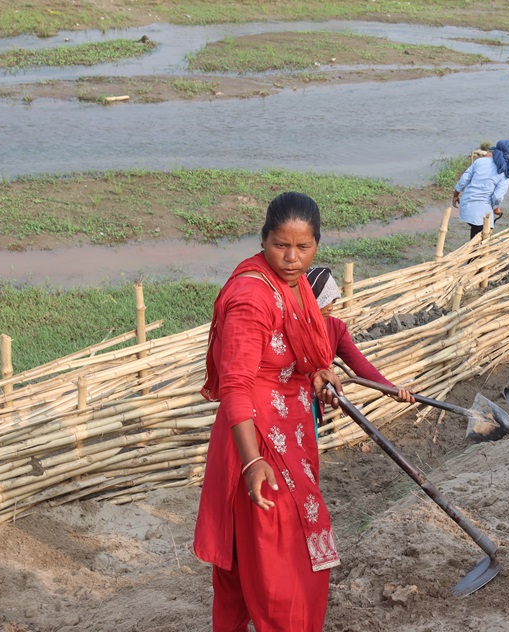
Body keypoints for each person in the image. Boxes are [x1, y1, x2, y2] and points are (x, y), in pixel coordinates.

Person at [193, 191, 344, 632]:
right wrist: (253, 461)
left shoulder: (294, 288)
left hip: (290, 432)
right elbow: (235, 385)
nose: (292, 258)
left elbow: (294, 356)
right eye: (281, 245)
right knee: (276, 557)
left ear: (317, 244)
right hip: (254, 438)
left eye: (303, 247)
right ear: (263, 240)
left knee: (266, 553)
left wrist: (316, 375)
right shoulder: (251, 296)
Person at [305, 266, 415, 404]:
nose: (330, 307)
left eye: (333, 301)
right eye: (324, 300)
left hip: (315, 402)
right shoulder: (291, 328)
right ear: (308, 298)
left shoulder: (336, 327)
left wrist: (390, 389)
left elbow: (359, 364)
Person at [453, 140, 509, 240]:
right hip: (482, 212)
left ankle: (473, 251)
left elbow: (463, 180)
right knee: (481, 234)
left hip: (467, 206)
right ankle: (475, 254)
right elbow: (497, 196)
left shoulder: (480, 161)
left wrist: (455, 195)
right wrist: (496, 208)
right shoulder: (505, 172)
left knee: (476, 230)